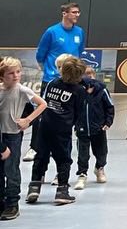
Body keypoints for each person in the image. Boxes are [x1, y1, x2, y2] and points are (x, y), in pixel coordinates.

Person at [28, 2, 86, 161]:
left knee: (69, 113)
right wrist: (49, 70)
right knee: (43, 112)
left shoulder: (79, 32)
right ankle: (34, 147)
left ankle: (60, 147)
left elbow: (79, 52)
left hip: (72, 81)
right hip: (51, 79)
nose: (77, 15)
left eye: (78, 12)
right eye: (73, 12)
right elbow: (41, 55)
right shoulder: (51, 32)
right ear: (64, 13)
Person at [27, 55, 87, 207]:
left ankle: (34, 188)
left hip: (45, 126)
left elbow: (44, 101)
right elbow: (79, 112)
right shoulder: (79, 91)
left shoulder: (52, 83)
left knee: (41, 156)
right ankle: (62, 191)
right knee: (63, 159)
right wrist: (74, 125)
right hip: (62, 130)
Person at [1, 56, 46, 221]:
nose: (15, 76)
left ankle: (13, 203)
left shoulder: (21, 90)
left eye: (18, 72)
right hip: (1, 136)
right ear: (2, 76)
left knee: (11, 170)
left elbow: (43, 104)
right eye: (11, 73)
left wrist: (28, 120)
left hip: (12, 135)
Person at [74, 62, 114, 190]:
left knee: (101, 151)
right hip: (82, 129)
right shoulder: (78, 90)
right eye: (85, 75)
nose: (88, 77)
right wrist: (74, 123)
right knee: (82, 154)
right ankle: (82, 174)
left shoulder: (102, 90)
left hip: (98, 128)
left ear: (94, 75)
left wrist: (108, 122)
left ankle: (99, 168)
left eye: (90, 75)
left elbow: (109, 107)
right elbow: (72, 108)